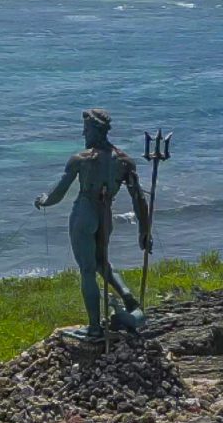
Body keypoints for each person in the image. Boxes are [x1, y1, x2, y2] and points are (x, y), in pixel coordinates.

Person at [36, 107, 153, 337]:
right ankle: (127, 296)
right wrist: (144, 230)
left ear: (94, 130)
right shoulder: (125, 161)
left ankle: (94, 326)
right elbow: (139, 199)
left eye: (86, 129)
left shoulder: (81, 159)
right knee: (103, 262)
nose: (83, 134)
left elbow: (59, 193)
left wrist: (43, 200)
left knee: (88, 270)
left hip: (85, 212)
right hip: (106, 214)